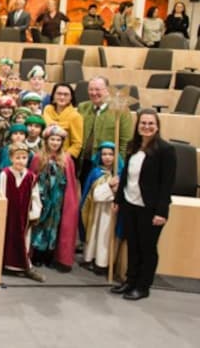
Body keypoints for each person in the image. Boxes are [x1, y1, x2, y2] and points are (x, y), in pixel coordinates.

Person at [111, 109, 176, 301]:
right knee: (133, 245)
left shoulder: (165, 150)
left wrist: (161, 212)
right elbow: (125, 176)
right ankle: (130, 281)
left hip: (151, 208)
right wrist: (118, 200)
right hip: (131, 204)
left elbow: (167, 184)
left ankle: (143, 286)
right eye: (143, 123)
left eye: (150, 124)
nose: (146, 127)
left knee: (147, 248)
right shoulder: (134, 146)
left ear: (157, 126)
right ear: (137, 125)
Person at [30, 124, 80, 272]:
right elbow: (33, 177)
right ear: (46, 140)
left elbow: (69, 181)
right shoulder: (38, 157)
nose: (55, 143)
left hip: (58, 199)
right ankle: (37, 255)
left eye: (58, 140)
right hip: (42, 197)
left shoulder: (67, 160)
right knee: (40, 224)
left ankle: (50, 255)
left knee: (54, 226)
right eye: (52, 139)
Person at [0, 142, 45, 282]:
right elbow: (1, 194)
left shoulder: (31, 177)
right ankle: (5, 264)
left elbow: (35, 196)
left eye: (24, 158)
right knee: (7, 239)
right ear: (11, 158)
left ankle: (25, 266)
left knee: (24, 240)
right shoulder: (5, 174)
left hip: (24, 216)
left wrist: (35, 213)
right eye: (17, 157)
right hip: (9, 215)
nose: (20, 161)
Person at [77, 76, 133, 182]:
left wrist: (118, 166)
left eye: (98, 89)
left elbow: (125, 142)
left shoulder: (121, 110)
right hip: (84, 162)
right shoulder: (82, 107)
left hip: (107, 164)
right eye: (91, 89)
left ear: (107, 90)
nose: (94, 93)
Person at [81, 141, 121, 276]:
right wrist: (109, 186)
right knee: (94, 235)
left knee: (105, 238)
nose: (107, 157)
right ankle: (89, 259)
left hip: (111, 213)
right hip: (96, 210)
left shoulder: (120, 174)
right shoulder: (95, 172)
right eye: (104, 154)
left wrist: (116, 188)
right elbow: (95, 195)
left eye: (111, 154)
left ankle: (103, 264)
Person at [43, 83, 84, 160]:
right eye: (59, 94)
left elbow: (77, 144)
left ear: (71, 97)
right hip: (45, 156)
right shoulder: (47, 109)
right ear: (53, 95)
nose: (62, 97)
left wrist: (63, 158)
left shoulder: (75, 116)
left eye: (66, 94)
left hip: (64, 159)